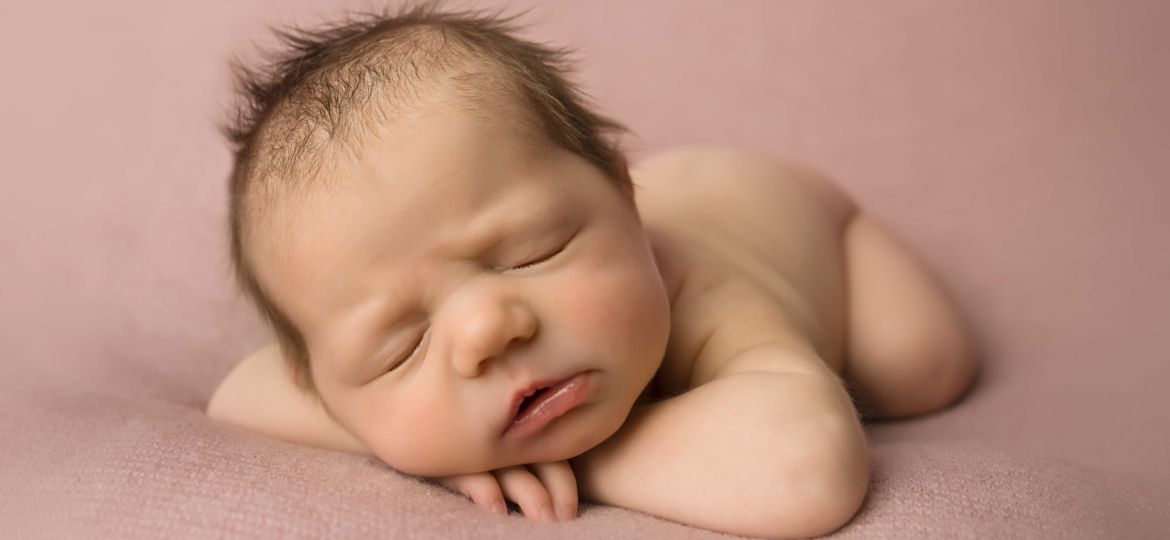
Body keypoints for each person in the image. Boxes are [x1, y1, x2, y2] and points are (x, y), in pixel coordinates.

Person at [206, 3, 978, 537]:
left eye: (532, 252)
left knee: (918, 365)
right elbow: (239, 396)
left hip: (795, 215)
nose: (486, 328)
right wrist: (430, 445)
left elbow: (806, 471)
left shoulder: (704, 295)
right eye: (400, 344)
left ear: (622, 194)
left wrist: (568, 454)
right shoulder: (334, 375)